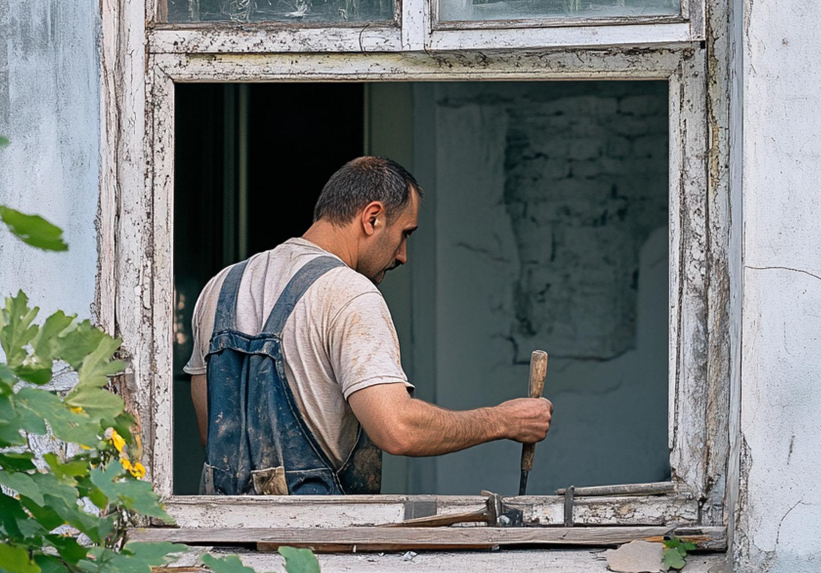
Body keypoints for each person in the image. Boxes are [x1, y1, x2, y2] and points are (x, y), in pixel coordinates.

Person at [185, 156, 553, 494]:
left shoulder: (220, 288)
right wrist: (503, 421)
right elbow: (397, 429)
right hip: (313, 535)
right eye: (405, 233)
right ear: (372, 218)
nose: (402, 256)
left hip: (220, 532)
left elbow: (212, 432)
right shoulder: (348, 292)